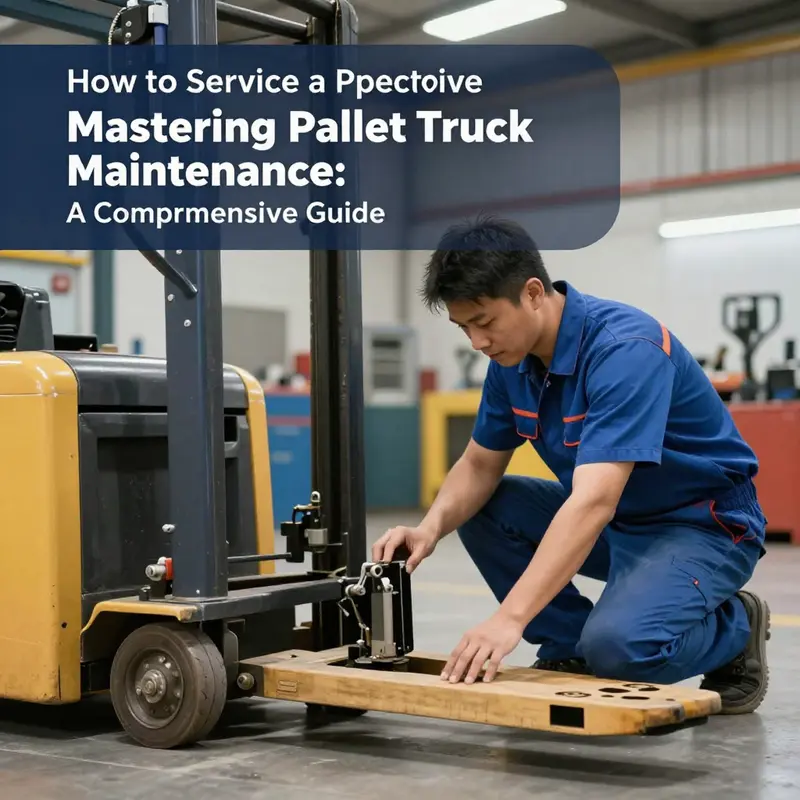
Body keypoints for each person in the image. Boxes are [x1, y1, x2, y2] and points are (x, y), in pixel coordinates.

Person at [372, 215, 770, 715]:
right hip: (616, 520)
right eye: (463, 327)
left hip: (700, 525)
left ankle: (736, 627)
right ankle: (566, 647)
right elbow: (478, 464)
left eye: (485, 322)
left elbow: (593, 500)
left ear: (533, 292)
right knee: (486, 506)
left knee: (621, 651)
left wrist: (509, 618)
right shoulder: (510, 362)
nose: (477, 342)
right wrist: (429, 528)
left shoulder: (624, 350)